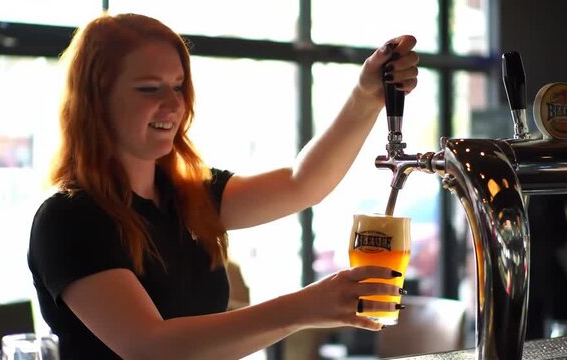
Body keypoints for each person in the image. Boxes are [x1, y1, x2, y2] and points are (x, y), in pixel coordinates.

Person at [27, 12, 420, 359]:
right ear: (96, 99)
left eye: (178, 86)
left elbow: (303, 184)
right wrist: (303, 308)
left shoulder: (186, 196)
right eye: (149, 88)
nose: (173, 104)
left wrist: (366, 96)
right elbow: (150, 347)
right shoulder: (70, 218)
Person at [526, 194, 567, 340]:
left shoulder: (524, 174)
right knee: (563, 335)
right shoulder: (565, 173)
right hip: (556, 268)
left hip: (525, 265)